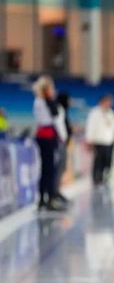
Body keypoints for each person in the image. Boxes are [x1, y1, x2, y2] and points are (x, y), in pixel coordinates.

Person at [32, 76, 67, 211]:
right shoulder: (43, 102)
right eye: (51, 88)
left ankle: (45, 197)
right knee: (48, 168)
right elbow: (54, 116)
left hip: (47, 135)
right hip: (46, 135)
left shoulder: (43, 101)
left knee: (48, 167)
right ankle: (47, 197)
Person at [85, 94, 114, 187]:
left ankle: (105, 177)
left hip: (108, 141)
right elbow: (90, 126)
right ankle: (96, 178)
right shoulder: (94, 112)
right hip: (98, 141)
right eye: (108, 101)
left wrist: (111, 124)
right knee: (98, 161)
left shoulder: (111, 113)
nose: (110, 103)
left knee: (107, 160)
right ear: (102, 101)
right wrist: (89, 140)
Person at [53, 92, 73, 203]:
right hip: (59, 143)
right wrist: (63, 138)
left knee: (61, 168)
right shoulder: (59, 110)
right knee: (57, 168)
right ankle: (54, 192)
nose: (70, 103)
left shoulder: (63, 110)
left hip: (62, 142)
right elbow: (59, 126)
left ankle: (56, 191)